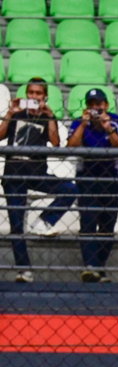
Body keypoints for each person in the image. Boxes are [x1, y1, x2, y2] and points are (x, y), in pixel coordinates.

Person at [2, 78, 77, 284]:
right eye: (31, 93)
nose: (34, 97)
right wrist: (9, 113)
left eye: (38, 93)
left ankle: (44, 221)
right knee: (17, 225)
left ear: (45, 96)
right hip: (14, 175)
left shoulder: (46, 118)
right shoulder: (16, 114)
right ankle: (24, 270)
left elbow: (55, 142)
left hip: (37, 172)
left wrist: (50, 115)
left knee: (70, 189)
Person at [66, 89, 118, 283]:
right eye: (92, 105)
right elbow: (71, 146)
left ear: (106, 106)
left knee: (108, 225)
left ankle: (99, 267)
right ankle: (91, 266)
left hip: (112, 177)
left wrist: (108, 128)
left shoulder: (116, 121)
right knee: (88, 222)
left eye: (99, 105)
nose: (95, 109)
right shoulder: (79, 122)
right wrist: (84, 125)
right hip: (87, 177)